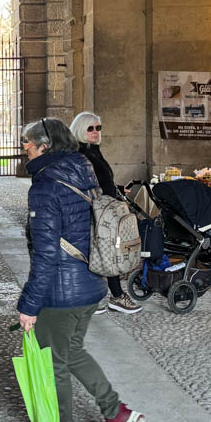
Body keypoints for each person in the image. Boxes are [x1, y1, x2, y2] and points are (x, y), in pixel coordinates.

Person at [16, 117, 145, 422]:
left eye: (27, 144)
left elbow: (45, 254)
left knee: (54, 361)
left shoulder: (45, 186)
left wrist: (29, 306)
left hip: (62, 292)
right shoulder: (83, 171)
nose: (24, 150)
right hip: (91, 284)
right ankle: (117, 414)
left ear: (45, 147)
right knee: (72, 351)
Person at [69, 111, 142, 315]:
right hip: (94, 209)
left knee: (103, 251)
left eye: (98, 128)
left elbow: (100, 179)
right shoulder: (79, 154)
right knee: (103, 251)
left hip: (105, 207)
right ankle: (114, 297)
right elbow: (85, 183)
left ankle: (106, 297)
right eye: (90, 128)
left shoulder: (93, 150)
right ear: (80, 129)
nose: (95, 132)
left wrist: (116, 188)